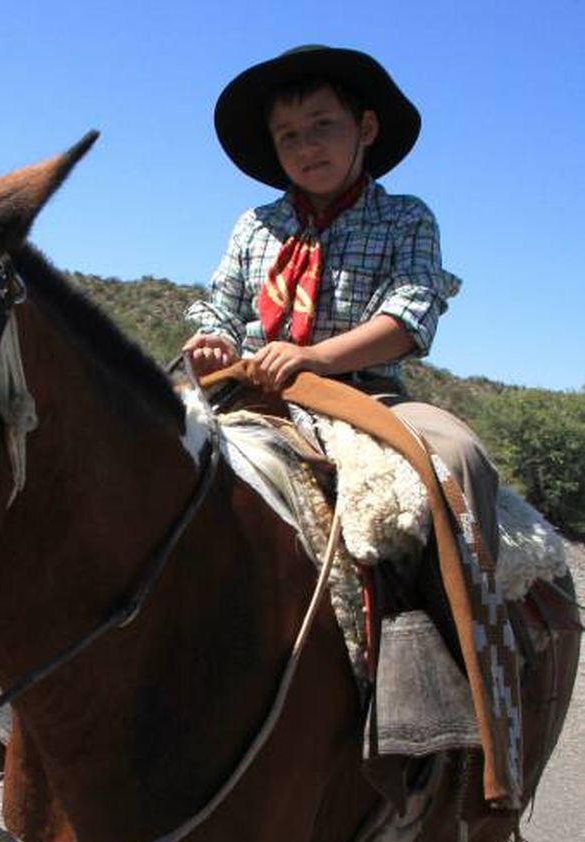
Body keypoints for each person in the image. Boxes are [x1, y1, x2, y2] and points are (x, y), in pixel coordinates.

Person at [184, 45, 499, 561]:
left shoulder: (406, 218)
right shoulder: (255, 225)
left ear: (366, 129)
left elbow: (409, 316)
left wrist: (317, 357)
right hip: (250, 390)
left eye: (322, 125)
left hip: (366, 396)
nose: (305, 146)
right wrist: (213, 341)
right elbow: (221, 305)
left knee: (460, 456)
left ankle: (470, 631)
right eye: (287, 135)